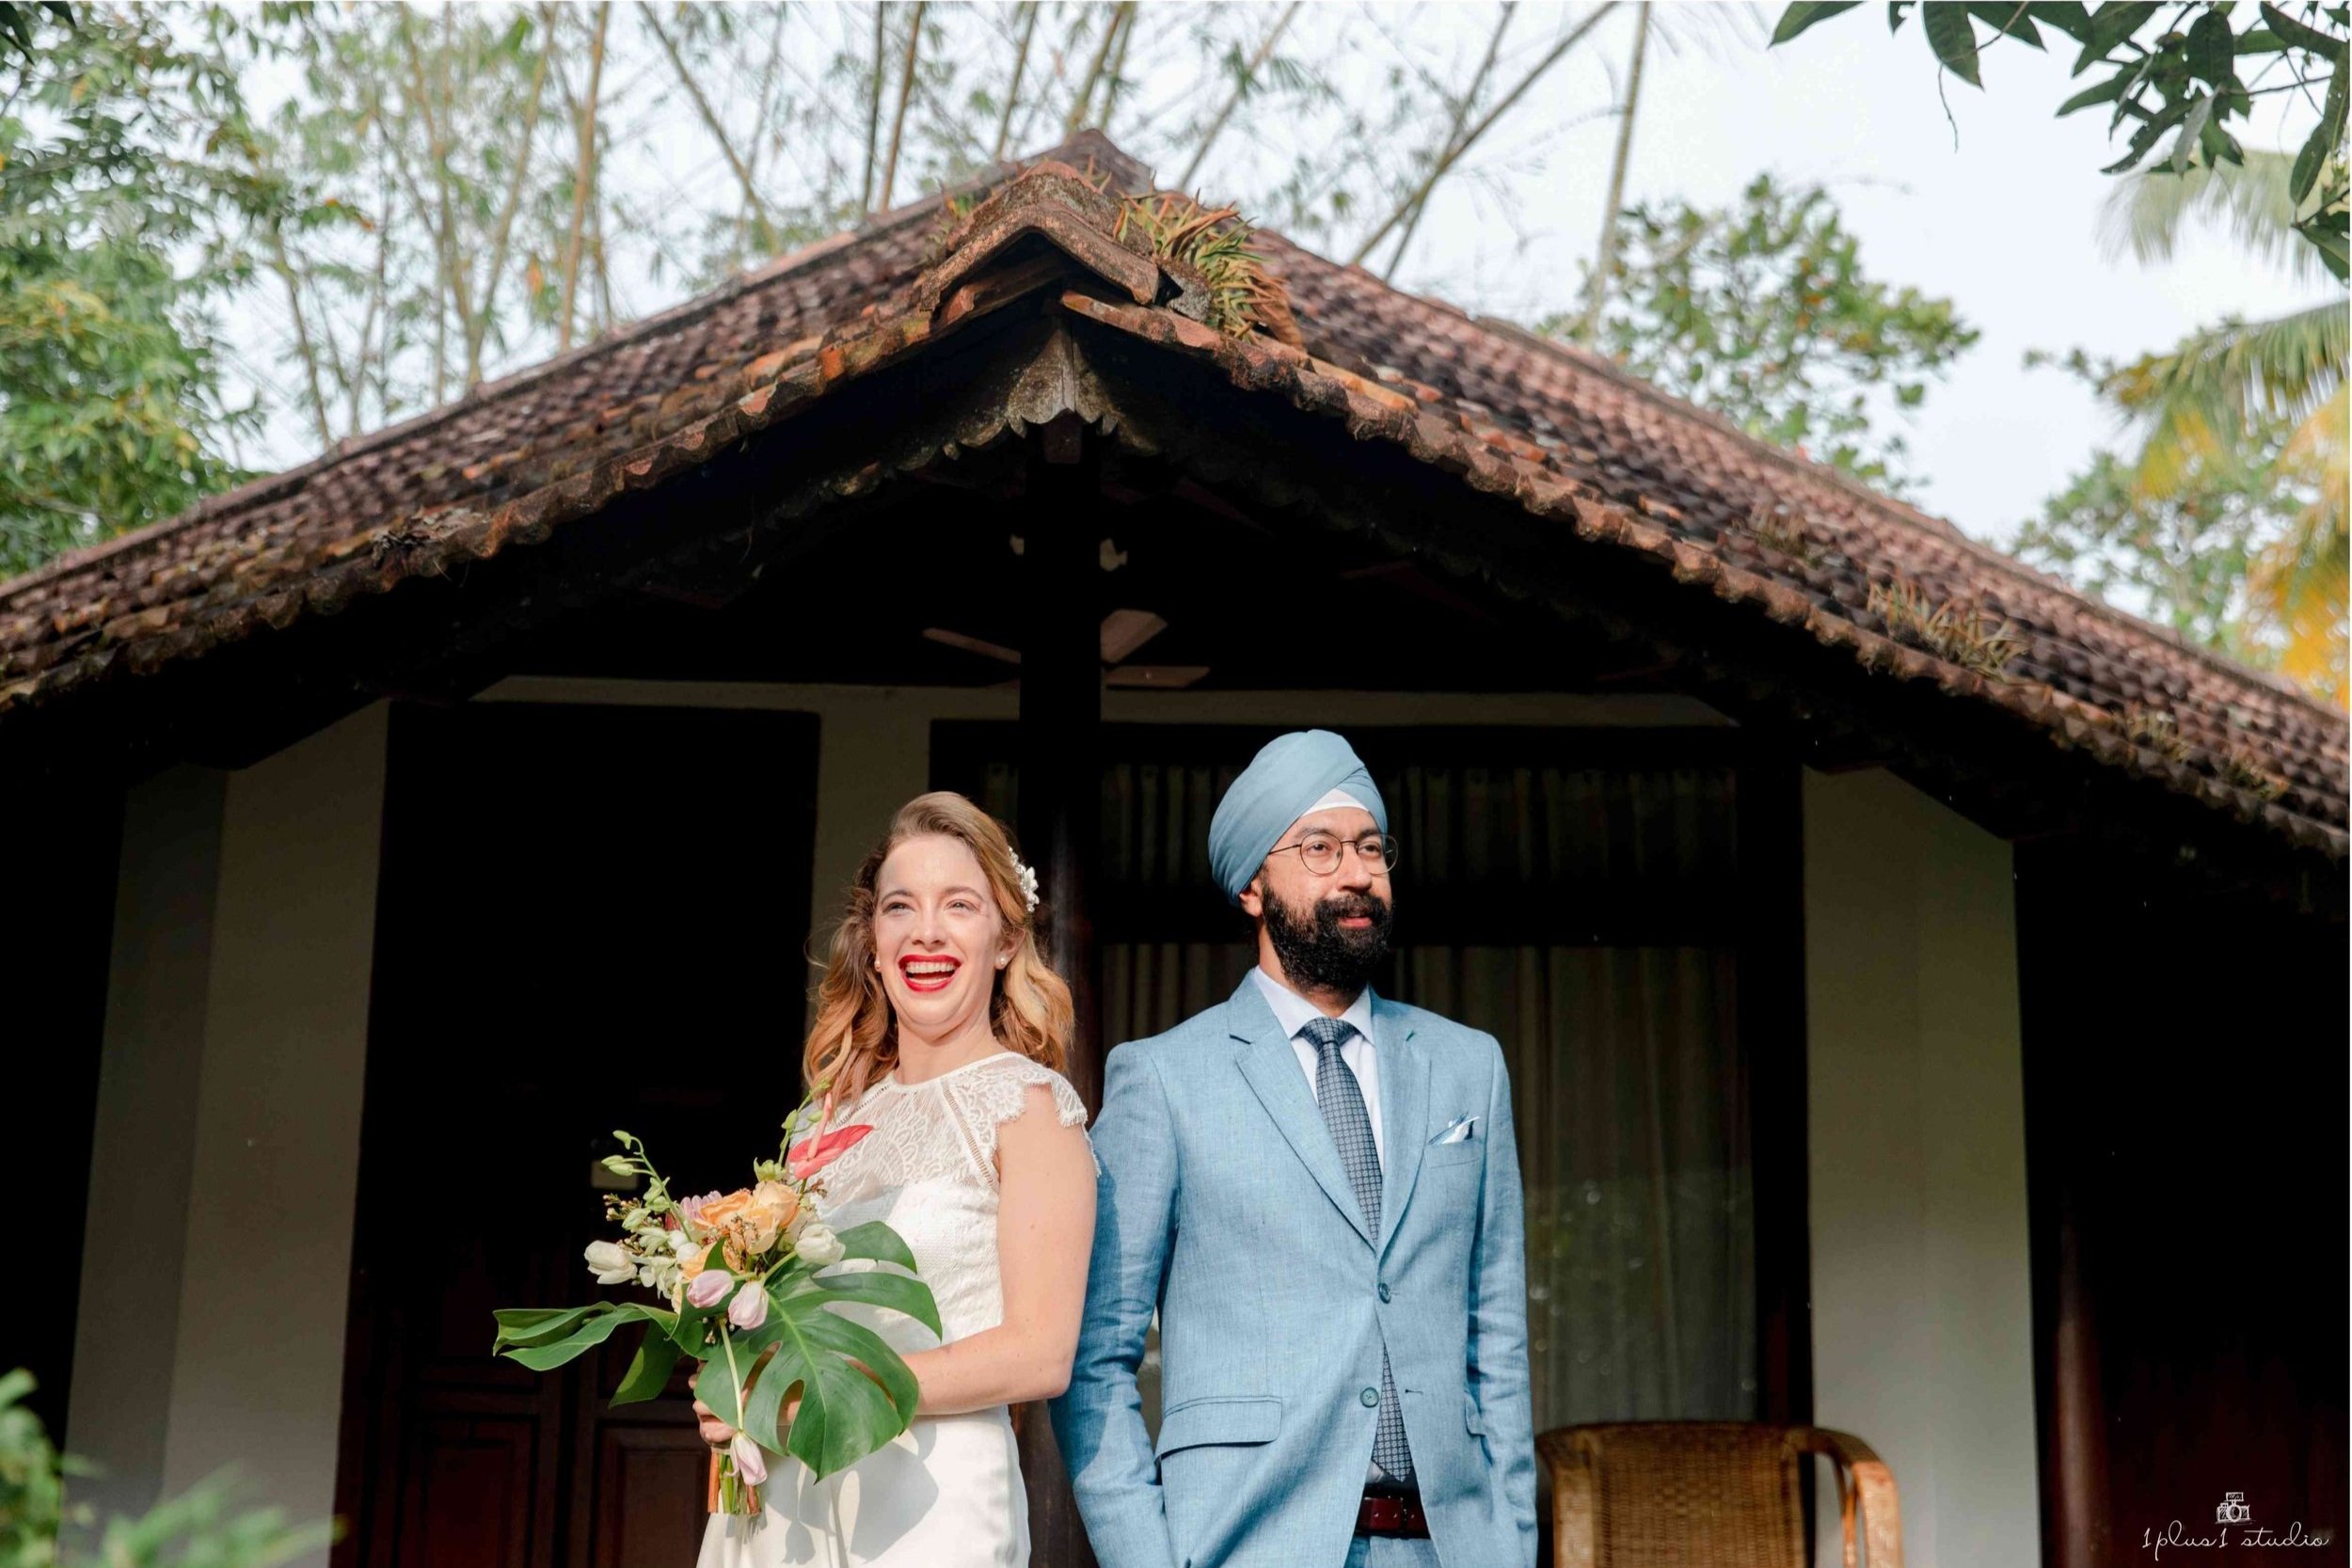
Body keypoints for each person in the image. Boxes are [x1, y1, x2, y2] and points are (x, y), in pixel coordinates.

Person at [1052, 730, 1535, 1568]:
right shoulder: (1163, 1079)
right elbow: (1095, 1358)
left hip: (1451, 1547)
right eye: (1319, 847)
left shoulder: (1468, 1066)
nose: (1355, 873)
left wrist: (1512, 1542)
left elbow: (1498, 1336)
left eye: (1371, 847)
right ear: (1251, 885)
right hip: (1249, 1545)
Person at [694, 792, 1097, 1567]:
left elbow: (1041, 1352)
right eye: (900, 907)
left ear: (1006, 939)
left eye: (959, 905)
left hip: (931, 1504)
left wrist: (823, 1390)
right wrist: (736, 1383)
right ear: (873, 942)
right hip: (785, 1496)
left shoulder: (1029, 1107)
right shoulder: (823, 1123)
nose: (926, 931)